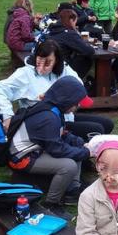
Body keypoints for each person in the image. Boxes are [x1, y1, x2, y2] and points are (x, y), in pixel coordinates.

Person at [0, 40, 114, 141]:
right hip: (43, 123)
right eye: (39, 62)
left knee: (107, 124)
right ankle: (80, 157)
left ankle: (81, 152)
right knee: (97, 129)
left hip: (65, 117)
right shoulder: (25, 74)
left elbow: (78, 88)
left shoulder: (64, 70)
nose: (42, 67)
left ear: (57, 61)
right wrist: (7, 115)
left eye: (47, 63)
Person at [7, 77, 94, 219]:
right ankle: (51, 204)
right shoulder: (48, 117)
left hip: (37, 150)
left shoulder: (53, 109)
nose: (78, 105)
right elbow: (57, 150)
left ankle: (72, 191)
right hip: (21, 158)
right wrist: (86, 153)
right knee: (68, 165)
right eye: (76, 102)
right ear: (66, 100)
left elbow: (62, 134)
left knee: (76, 150)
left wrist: (79, 143)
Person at [46, 9, 95, 77]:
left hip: (50, 63)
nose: (75, 25)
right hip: (61, 67)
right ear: (71, 20)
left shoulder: (53, 29)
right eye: (75, 22)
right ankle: (75, 80)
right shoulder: (68, 33)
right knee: (87, 59)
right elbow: (89, 51)